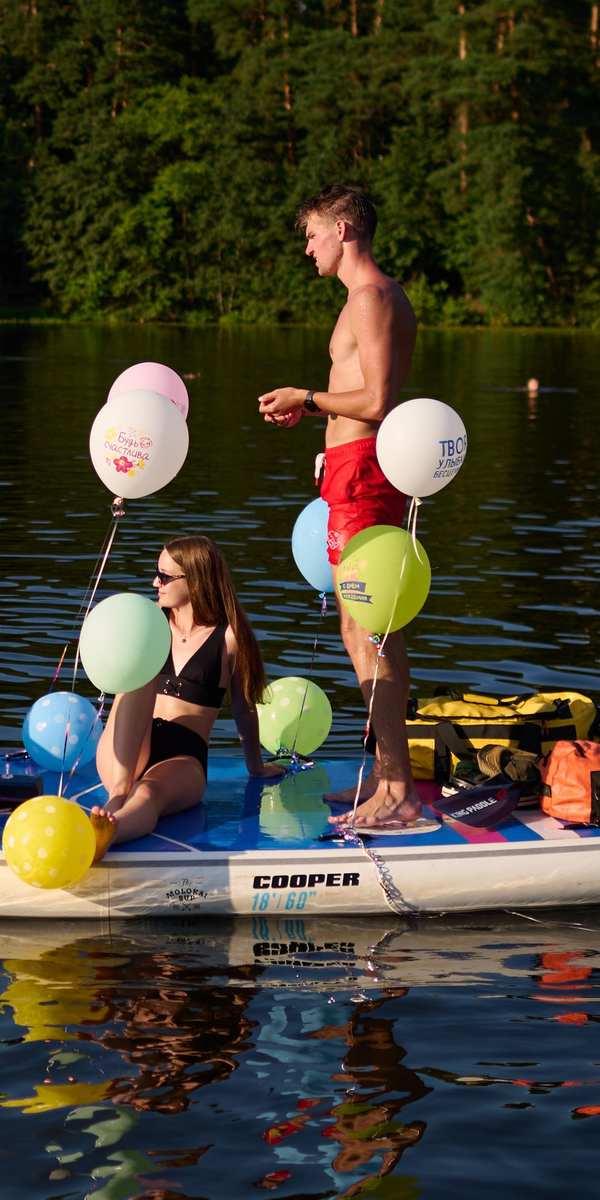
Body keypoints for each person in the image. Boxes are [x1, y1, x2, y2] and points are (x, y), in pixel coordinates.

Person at [255, 183, 422, 830]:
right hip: (351, 469)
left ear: (343, 229)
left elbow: (377, 400)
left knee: (367, 627)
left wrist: (307, 397)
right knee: (372, 627)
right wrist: (320, 425)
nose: (307, 248)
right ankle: (386, 775)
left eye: (312, 234)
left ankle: (399, 790)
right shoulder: (369, 298)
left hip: (366, 474)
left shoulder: (371, 297)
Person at [96, 534, 280, 848]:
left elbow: (243, 707)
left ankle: (107, 834)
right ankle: (118, 795)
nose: (155, 583)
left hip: (183, 755)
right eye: (156, 574)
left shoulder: (231, 636)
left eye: (165, 576)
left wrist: (256, 767)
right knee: (140, 667)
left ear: (194, 580)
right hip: (129, 743)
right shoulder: (146, 623)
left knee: (148, 793)